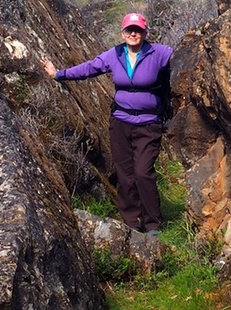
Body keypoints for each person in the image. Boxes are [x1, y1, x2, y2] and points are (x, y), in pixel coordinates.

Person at [42, 12, 173, 235]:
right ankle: (132, 222)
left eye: (138, 30)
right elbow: (89, 68)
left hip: (149, 123)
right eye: (130, 30)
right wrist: (59, 74)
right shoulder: (115, 54)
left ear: (145, 32)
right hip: (121, 122)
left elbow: (185, 62)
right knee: (125, 173)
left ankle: (152, 224)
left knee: (143, 172)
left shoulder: (160, 53)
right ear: (122, 32)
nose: (134, 33)